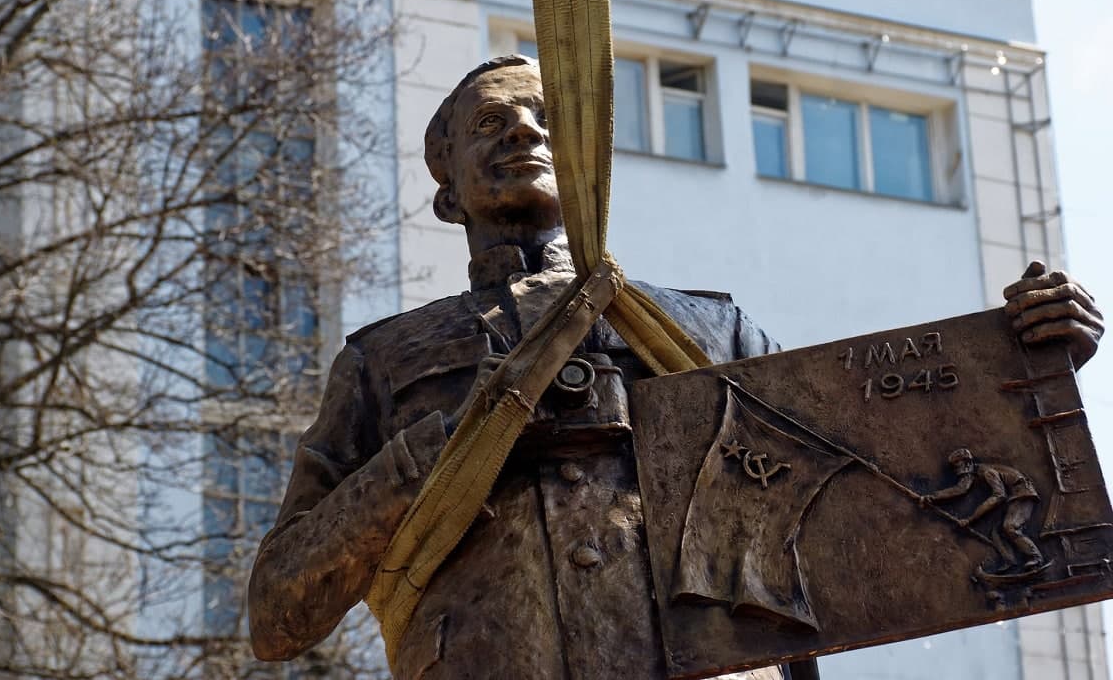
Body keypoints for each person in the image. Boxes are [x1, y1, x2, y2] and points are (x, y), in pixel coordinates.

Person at [248, 55, 1103, 679]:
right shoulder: (381, 360)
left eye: (547, 117)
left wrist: (1021, 355)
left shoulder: (709, 327)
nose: (523, 130)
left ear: (589, 155)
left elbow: (879, 471)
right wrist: (424, 461)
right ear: (447, 190)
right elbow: (279, 611)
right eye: (490, 122)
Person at [922, 448, 1045, 571]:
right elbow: (961, 488)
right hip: (1012, 498)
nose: (961, 475)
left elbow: (999, 495)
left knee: (1010, 527)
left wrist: (970, 519)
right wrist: (933, 497)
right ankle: (1010, 561)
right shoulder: (974, 473)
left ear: (968, 464)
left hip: (1022, 494)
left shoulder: (988, 472)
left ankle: (1036, 557)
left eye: (961, 468)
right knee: (995, 531)